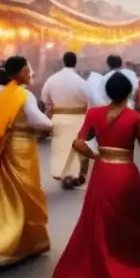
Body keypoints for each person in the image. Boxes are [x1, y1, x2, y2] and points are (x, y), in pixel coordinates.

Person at [48, 72, 140, 278]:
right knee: (128, 223)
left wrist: (96, 156)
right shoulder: (134, 117)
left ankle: (99, 273)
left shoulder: (95, 114)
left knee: (98, 222)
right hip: (126, 173)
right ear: (129, 93)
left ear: (107, 93)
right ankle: (128, 274)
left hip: (103, 172)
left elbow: (78, 143)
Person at [0, 55, 53, 265]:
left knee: (3, 193)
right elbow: (37, 119)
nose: (30, 73)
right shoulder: (24, 95)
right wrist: (52, 124)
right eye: (27, 69)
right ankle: (12, 244)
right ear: (17, 73)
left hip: (4, 147)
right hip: (22, 149)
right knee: (26, 194)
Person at [41, 51, 91, 189]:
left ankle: (61, 174)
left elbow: (45, 99)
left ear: (63, 61)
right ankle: (74, 176)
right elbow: (89, 100)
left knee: (60, 148)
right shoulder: (80, 81)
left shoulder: (52, 80)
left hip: (58, 118)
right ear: (75, 62)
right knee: (77, 149)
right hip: (78, 119)